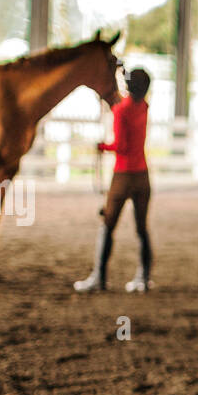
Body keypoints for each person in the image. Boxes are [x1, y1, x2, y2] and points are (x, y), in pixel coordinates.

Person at [74, 67, 152, 293]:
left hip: (123, 176)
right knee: (142, 229)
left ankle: (99, 277)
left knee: (107, 225)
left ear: (128, 86)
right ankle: (143, 278)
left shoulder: (120, 111)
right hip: (143, 176)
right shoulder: (144, 107)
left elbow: (121, 146)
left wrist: (101, 146)